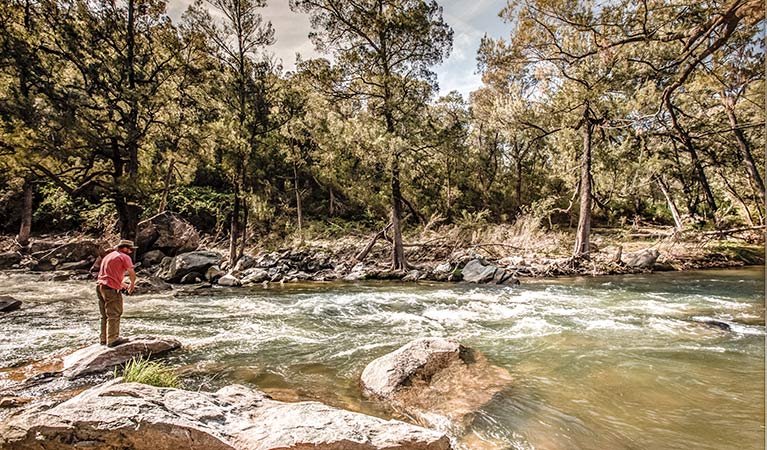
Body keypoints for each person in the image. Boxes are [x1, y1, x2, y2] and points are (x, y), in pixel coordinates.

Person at [96, 239, 137, 347]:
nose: (131, 251)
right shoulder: (124, 257)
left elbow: (108, 275)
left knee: (104, 315)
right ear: (124, 248)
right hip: (110, 289)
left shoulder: (108, 256)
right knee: (115, 313)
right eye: (130, 249)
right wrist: (132, 285)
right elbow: (132, 273)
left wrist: (123, 285)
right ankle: (113, 339)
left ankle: (103, 339)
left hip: (100, 286)